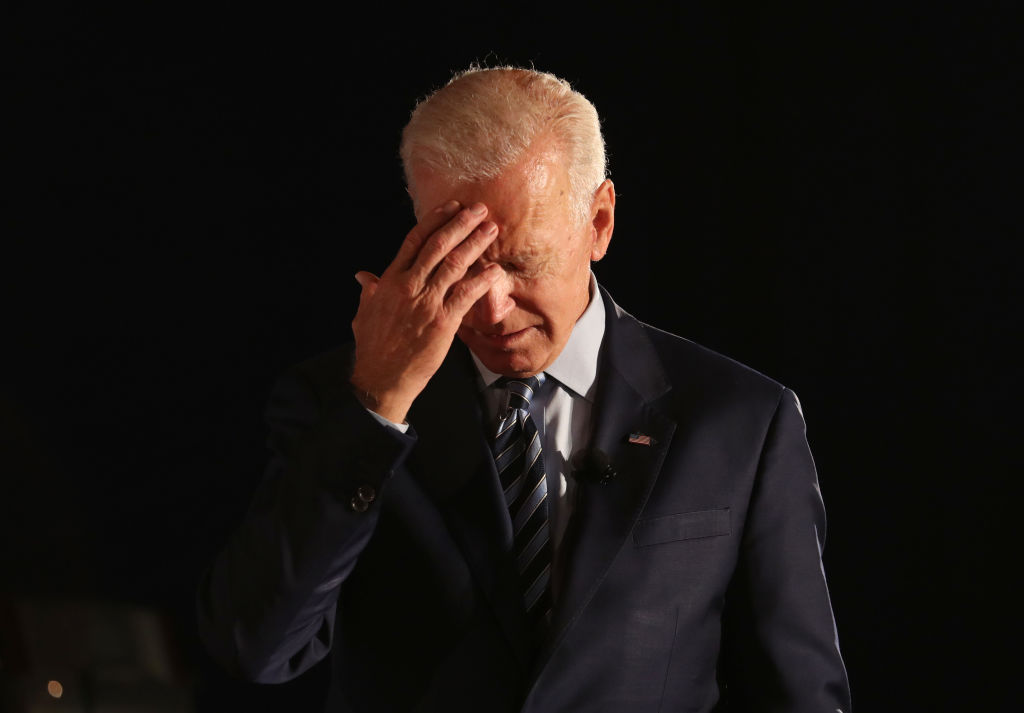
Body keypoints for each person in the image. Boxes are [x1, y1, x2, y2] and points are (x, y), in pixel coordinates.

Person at [197, 66, 852, 712]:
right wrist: (375, 407)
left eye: (520, 262)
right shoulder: (332, 401)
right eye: (458, 262)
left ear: (599, 222)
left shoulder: (741, 421)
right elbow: (255, 647)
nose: (490, 308)